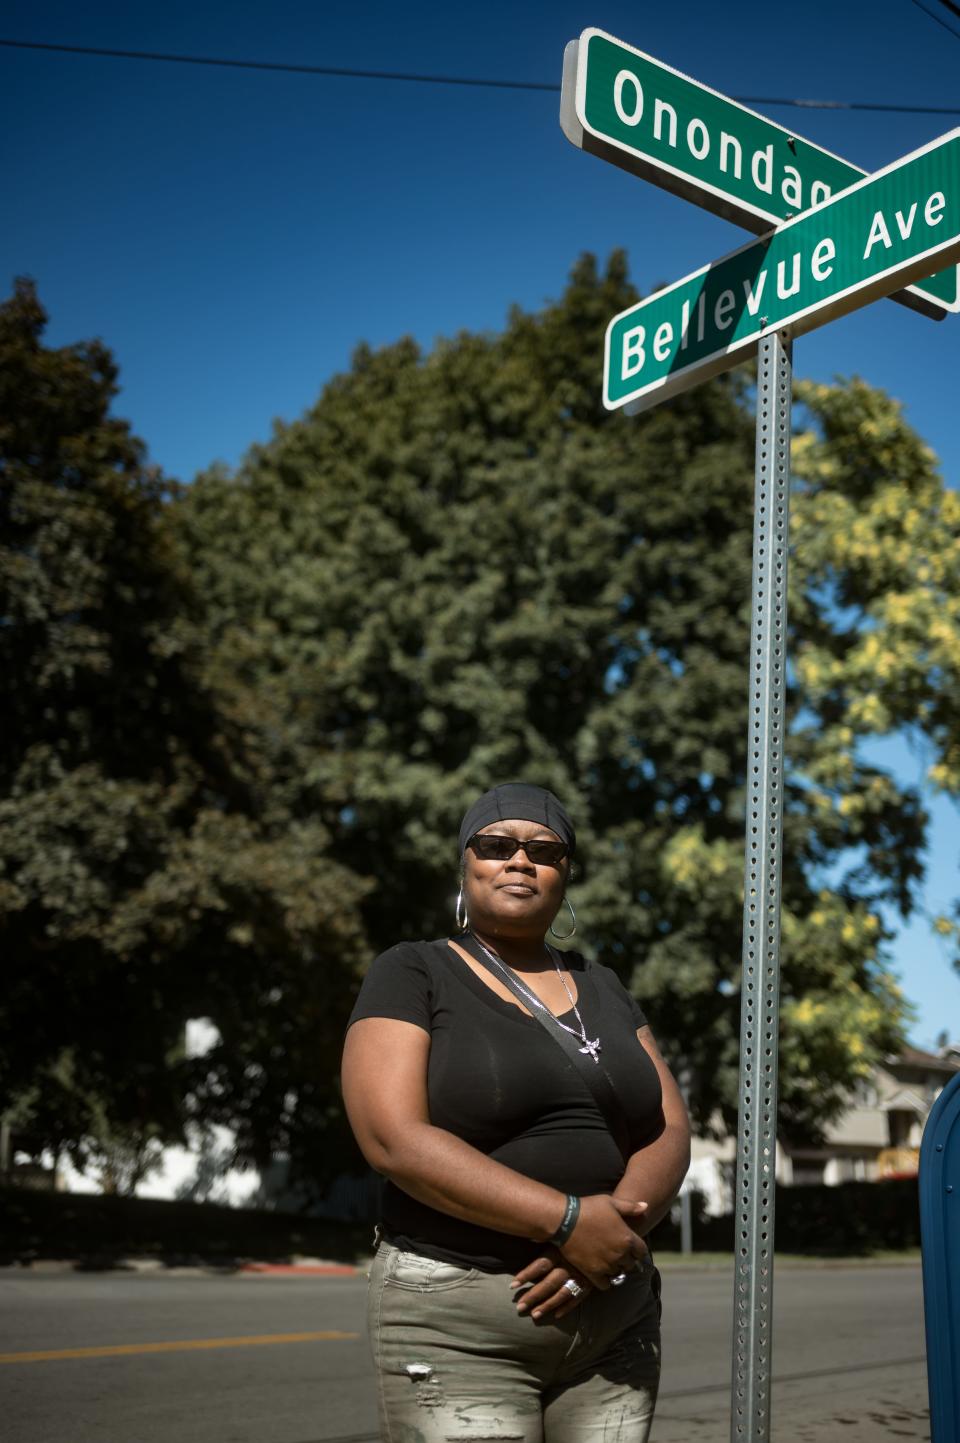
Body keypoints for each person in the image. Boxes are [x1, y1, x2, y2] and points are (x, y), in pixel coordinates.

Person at [341, 781, 690, 1443]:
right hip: (459, 1326)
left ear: (566, 874)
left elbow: (670, 1125)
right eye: (497, 844)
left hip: (615, 1316)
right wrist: (565, 1221)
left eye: (545, 849)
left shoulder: (604, 984)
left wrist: (604, 1244)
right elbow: (391, 1138)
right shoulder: (413, 971)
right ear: (465, 863)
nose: (520, 860)